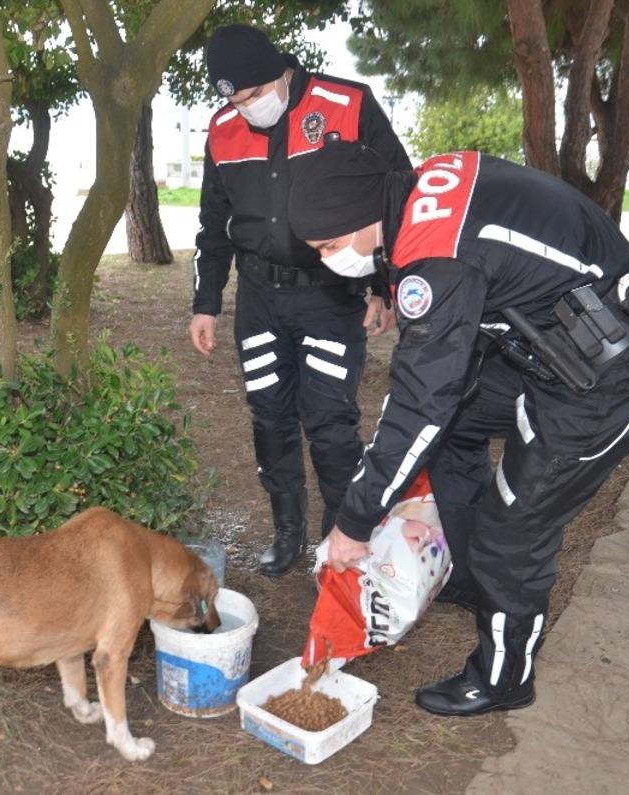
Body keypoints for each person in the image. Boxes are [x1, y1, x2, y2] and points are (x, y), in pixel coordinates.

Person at [287, 141, 629, 716]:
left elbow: (420, 403)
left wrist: (356, 520)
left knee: (514, 534)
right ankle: (475, 578)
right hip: (552, 344)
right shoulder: (422, 188)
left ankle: (503, 679)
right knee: (454, 433)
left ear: (364, 215)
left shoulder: (437, 259)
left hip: (609, 380)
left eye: (330, 245)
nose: (330, 260)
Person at [190, 25, 411, 577]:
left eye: (251, 96)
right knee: (269, 419)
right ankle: (287, 530)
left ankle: (339, 538)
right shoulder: (221, 130)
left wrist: (384, 286)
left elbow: (397, 193)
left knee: (332, 424)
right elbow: (212, 226)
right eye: (233, 101)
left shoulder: (348, 104)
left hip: (331, 296)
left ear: (279, 71)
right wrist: (206, 302)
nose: (244, 110)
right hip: (259, 301)